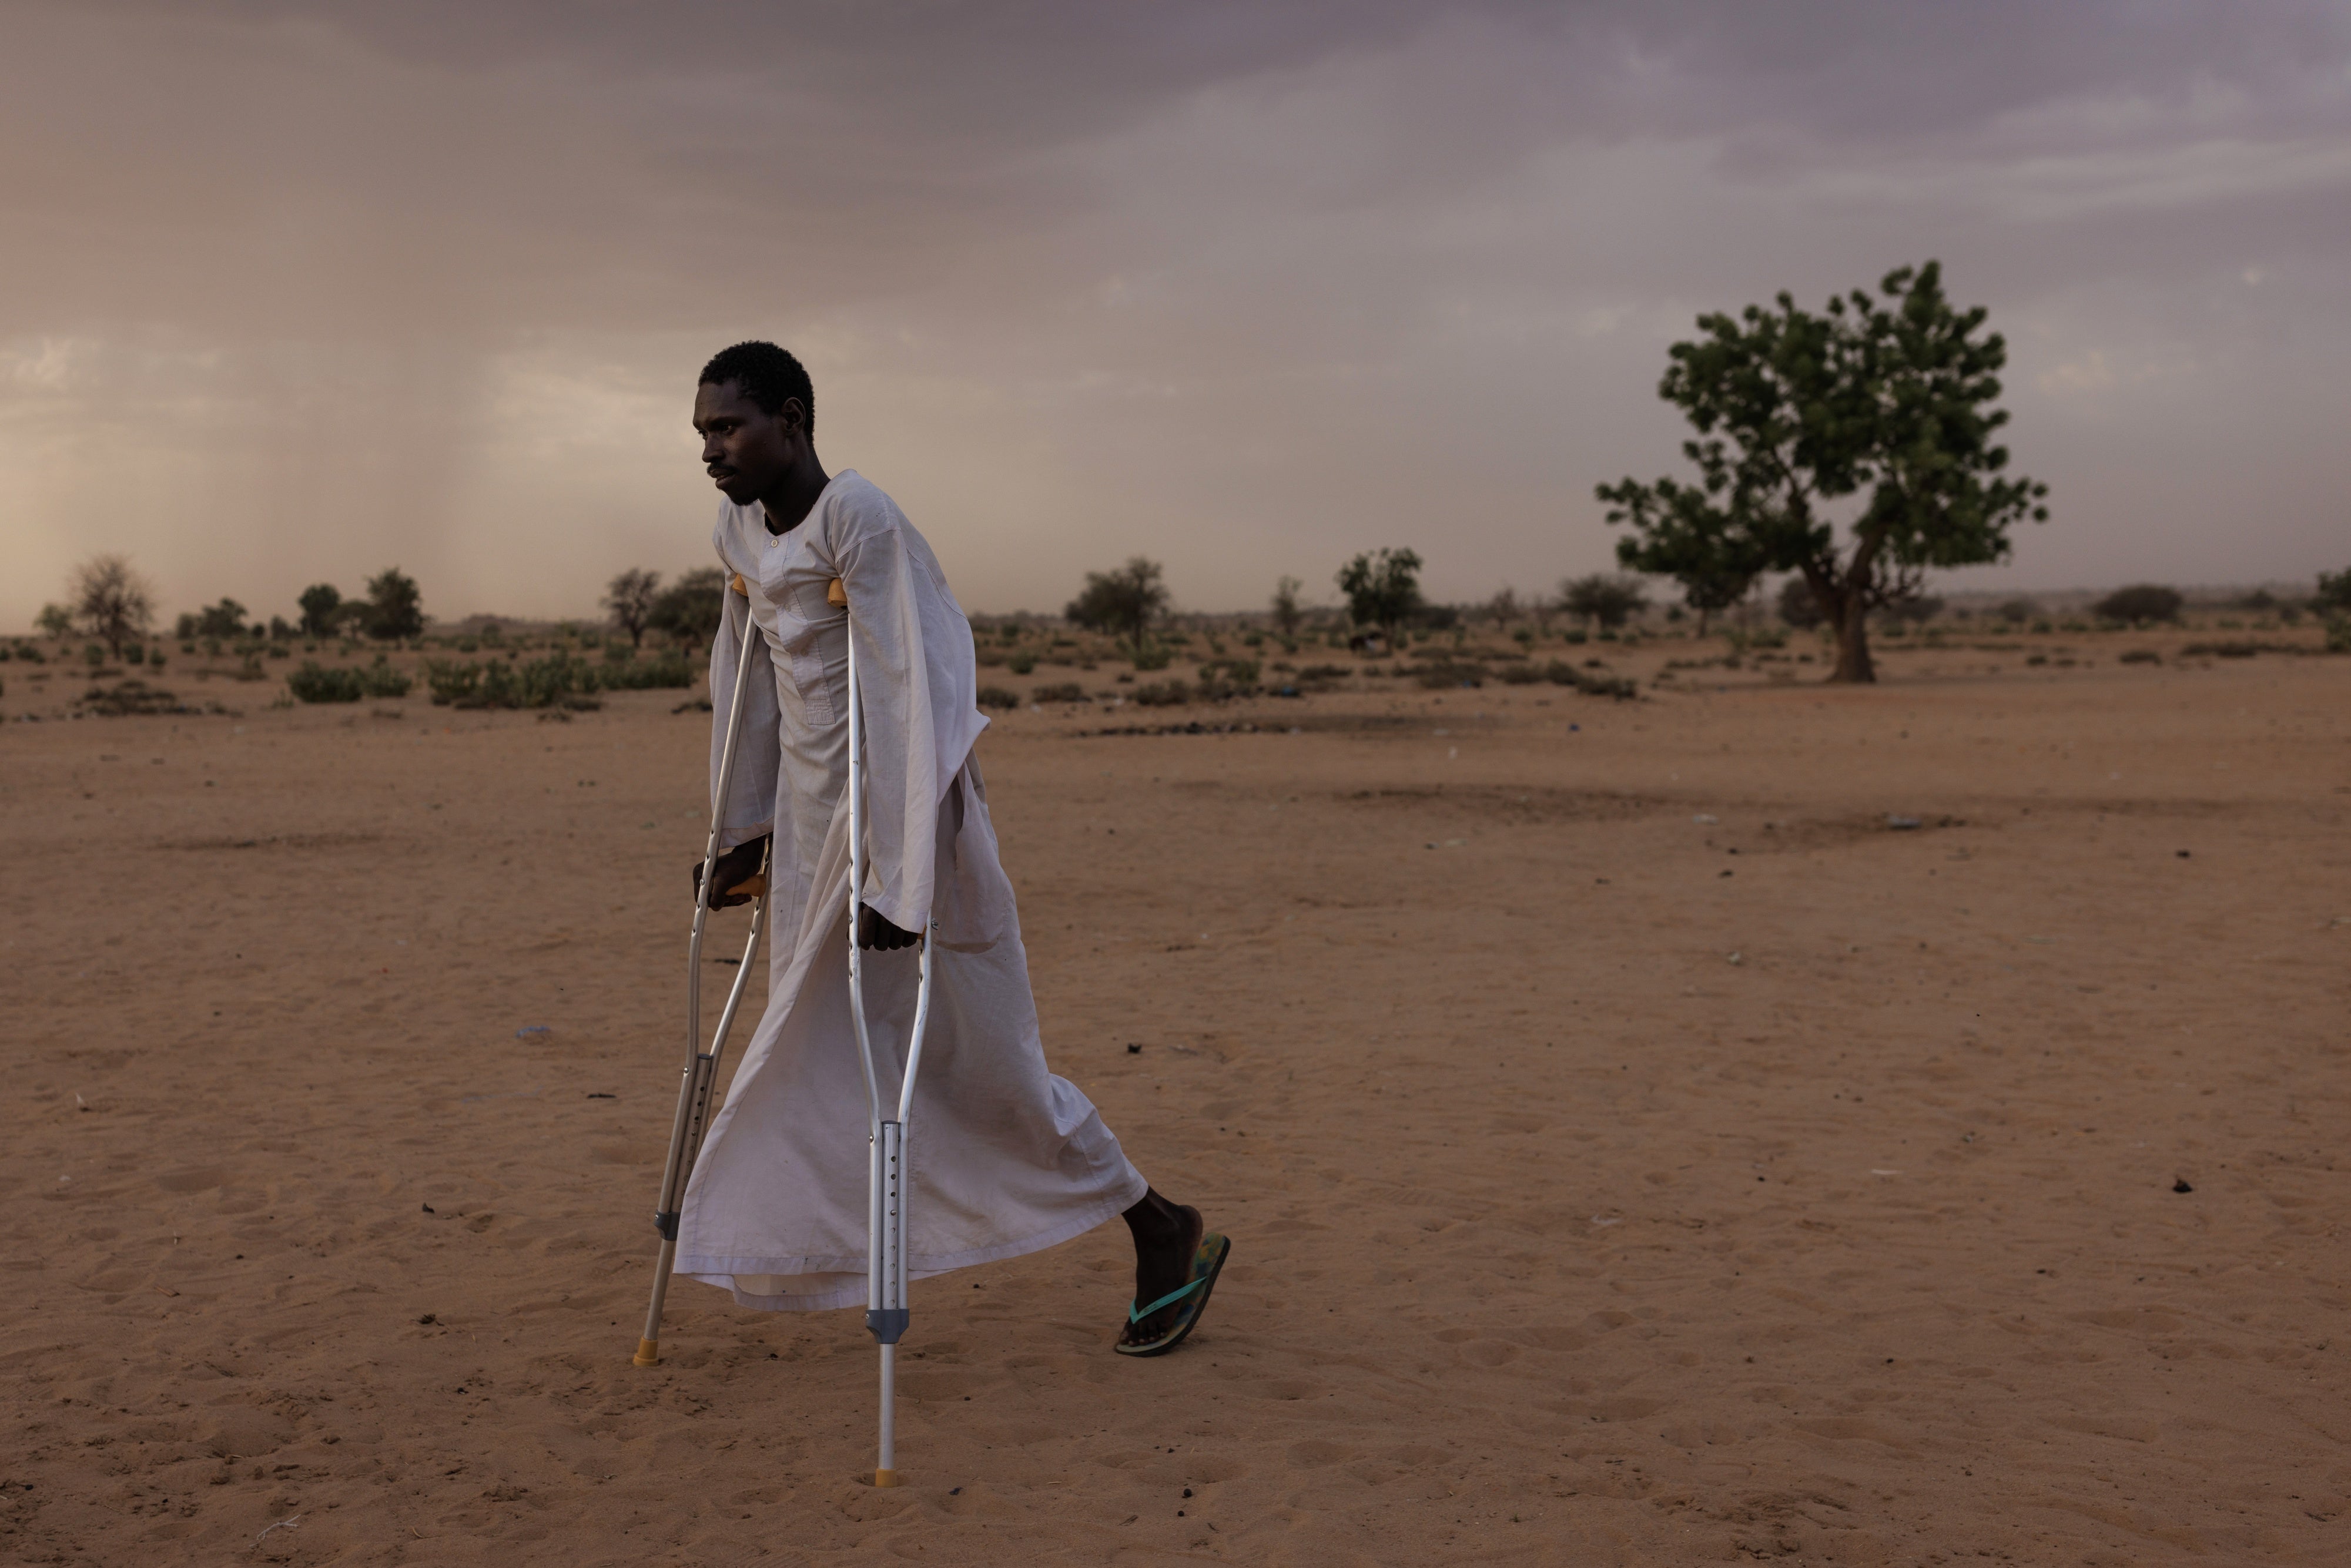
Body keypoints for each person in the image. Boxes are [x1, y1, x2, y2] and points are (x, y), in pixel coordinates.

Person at [671, 340, 1227, 1356]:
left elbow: (908, 690)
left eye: (729, 427)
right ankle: (832, 1244)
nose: (711, 449)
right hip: (810, 834)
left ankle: (1157, 1224)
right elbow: (743, 682)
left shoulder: (860, 517)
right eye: (702, 431)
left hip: (903, 821)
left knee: (975, 1062)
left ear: (790, 420)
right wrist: (738, 832)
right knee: (828, 1057)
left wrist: (902, 876)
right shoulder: (736, 530)